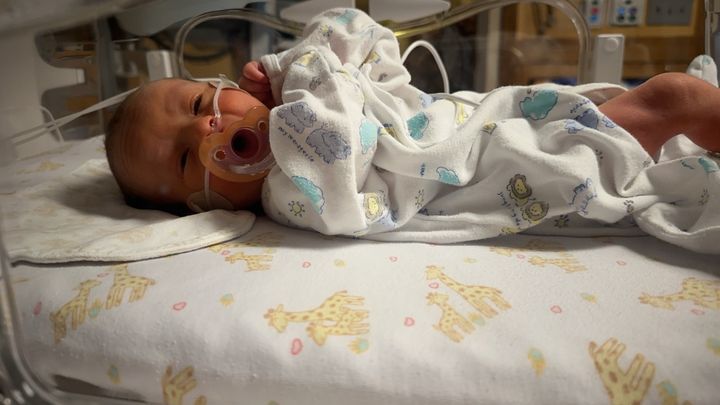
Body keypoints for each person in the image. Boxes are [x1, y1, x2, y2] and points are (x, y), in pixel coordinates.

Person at [105, 8, 720, 253]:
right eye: (185, 158)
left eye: (197, 104)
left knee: (637, 114)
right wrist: (300, 74)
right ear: (204, 208)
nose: (208, 127)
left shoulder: (300, 98)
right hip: (490, 166)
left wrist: (290, 67)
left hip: (473, 116)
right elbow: (337, 142)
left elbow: (363, 31)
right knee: (655, 111)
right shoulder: (288, 193)